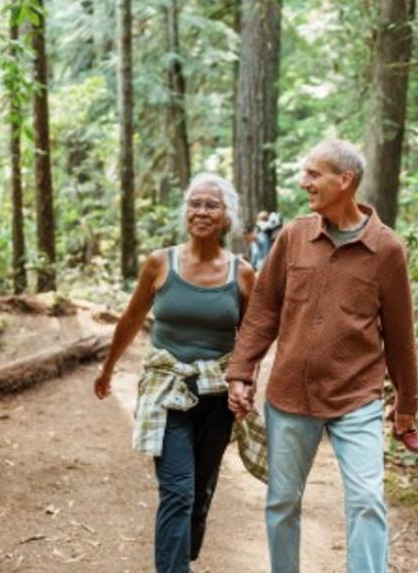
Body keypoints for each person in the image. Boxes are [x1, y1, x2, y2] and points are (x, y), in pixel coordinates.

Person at [225, 138, 418, 573]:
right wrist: (240, 371)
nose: (304, 184)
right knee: (282, 501)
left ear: (345, 180)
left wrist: (406, 406)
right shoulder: (295, 236)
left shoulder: (387, 250)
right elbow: (263, 309)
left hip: (356, 397)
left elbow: (399, 336)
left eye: (313, 175)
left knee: (368, 501)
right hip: (289, 396)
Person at [94, 173, 265, 573]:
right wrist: (108, 369)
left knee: (199, 492)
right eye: (195, 203)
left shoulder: (241, 274)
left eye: (211, 205)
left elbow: (253, 337)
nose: (201, 211)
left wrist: (245, 379)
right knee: (178, 492)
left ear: (227, 218)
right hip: (166, 390)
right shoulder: (159, 263)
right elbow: (132, 319)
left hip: (216, 397)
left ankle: (179, 556)